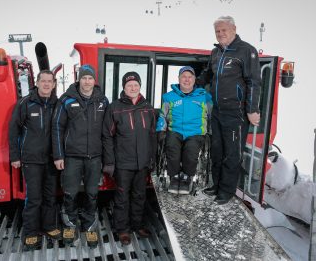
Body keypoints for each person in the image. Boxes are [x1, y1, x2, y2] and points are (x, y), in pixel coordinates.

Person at [197, 15, 261, 205]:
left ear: (234, 29)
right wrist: (192, 85)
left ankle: (226, 191)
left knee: (232, 154)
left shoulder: (246, 51)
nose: (220, 34)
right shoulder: (216, 52)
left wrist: (252, 109)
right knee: (216, 151)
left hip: (236, 113)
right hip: (218, 111)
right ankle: (216, 185)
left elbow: (254, 82)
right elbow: (208, 74)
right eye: (217, 31)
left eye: (224, 30)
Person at [52, 64, 108, 248]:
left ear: (94, 80)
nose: (87, 81)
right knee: (70, 193)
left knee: (92, 193)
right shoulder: (66, 100)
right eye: (84, 78)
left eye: (90, 78)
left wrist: (107, 157)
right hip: (72, 157)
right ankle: (69, 225)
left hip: (95, 156)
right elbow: (57, 128)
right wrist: (59, 155)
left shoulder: (102, 101)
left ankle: (89, 226)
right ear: (79, 79)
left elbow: (107, 131)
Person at [102, 72, 157, 246]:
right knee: (122, 197)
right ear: (124, 88)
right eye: (129, 85)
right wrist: (110, 162)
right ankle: (123, 230)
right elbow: (107, 136)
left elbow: (152, 136)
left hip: (142, 163)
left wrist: (152, 159)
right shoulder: (115, 108)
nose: (133, 88)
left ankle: (137, 225)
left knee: (140, 196)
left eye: (135, 85)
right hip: (123, 163)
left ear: (140, 86)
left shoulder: (148, 108)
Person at [8, 70, 60, 250]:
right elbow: (13, 130)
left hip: (52, 159)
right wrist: (15, 156)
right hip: (31, 159)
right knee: (34, 198)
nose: (46, 84)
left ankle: (49, 226)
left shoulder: (58, 104)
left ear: (54, 84)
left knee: (50, 196)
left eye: (49, 81)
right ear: (37, 83)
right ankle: (30, 232)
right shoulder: (25, 103)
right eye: (43, 81)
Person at [156, 66, 212, 194]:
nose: (187, 80)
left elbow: (211, 116)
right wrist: (160, 130)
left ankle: (187, 177)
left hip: (195, 132)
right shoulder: (169, 97)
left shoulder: (205, 97)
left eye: (190, 77)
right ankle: (174, 177)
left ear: (194, 80)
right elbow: (162, 115)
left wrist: (212, 133)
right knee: (172, 149)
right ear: (179, 79)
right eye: (184, 77)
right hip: (175, 131)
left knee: (191, 152)